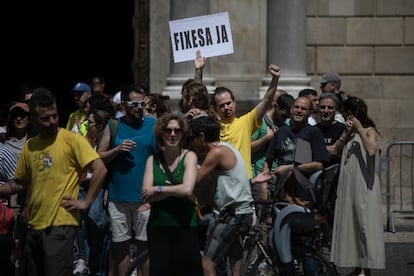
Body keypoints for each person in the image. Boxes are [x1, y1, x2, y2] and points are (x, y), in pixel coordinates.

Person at [0, 87, 107, 275]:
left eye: (54, 116)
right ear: (33, 119)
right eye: (45, 118)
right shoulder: (30, 146)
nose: (52, 122)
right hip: (33, 226)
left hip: (61, 226)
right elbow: (21, 182)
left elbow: (100, 169)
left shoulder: (71, 140)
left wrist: (86, 202)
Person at [98, 83, 157, 276]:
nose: (139, 107)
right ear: (124, 105)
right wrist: (116, 150)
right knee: (120, 248)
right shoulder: (114, 125)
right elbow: (98, 157)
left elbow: (164, 159)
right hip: (118, 196)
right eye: (134, 104)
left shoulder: (154, 124)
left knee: (144, 249)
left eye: (142, 102)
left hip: (145, 197)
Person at [189, 115, 258, 276]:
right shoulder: (226, 147)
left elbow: (195, 180)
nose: (190, 143)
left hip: (233, 215)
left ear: (201, 137)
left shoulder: (217, 152)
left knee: (207, 265)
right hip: (234, 211)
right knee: (232, 257)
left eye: (191, 138)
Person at [141, 113, 203, 276]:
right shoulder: (152, 160)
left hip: (185, 226)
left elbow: (187, 190)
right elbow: (146, 195)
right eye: (168, 130)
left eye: (177, 130)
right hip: (158, 226)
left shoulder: (190, 156)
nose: (173, 134)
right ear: (161, 133)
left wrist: (159, 189)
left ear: (183, 134)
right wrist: (175, 189)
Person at [329, 96, 385, 276]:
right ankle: (357, 267)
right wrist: (346, 133)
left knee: (364, 225)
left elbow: (371, 150)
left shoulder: (370, 130)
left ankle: (365, 268)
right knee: (351, 224)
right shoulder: (349, 133)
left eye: (350, 114)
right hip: (348, 187)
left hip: (364, 187)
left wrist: (360, 129)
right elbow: (335, 151)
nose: (347, 117)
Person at [213, 64, 280, 179]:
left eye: (228, 103)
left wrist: (275, 79)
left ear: (235, 103)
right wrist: (199, 71)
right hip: (223, 184)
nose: (226, 108)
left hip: (245, 182)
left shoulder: (245, 122)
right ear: (216, 109)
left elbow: (266, 101)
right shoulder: (213, 127)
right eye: (221, 106)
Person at [250, 89, 287, 200]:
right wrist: (267, 138)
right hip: (260, 177)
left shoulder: (285, 124)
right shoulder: (260, 122)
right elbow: (248, 147)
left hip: (279, 178)